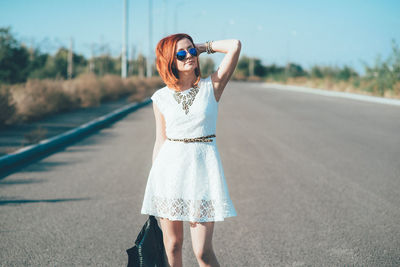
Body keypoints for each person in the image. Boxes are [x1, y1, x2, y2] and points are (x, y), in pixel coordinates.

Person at [141, 33, 241, 267]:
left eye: (191, 51)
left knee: (202, 252)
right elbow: (160, 141)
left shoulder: (212, 86)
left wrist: (203, 47)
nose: (189, 56)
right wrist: (155, 184)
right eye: (181, 53)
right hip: (169, 175)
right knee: (172, 246)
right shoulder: (161, 98)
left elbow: (234, 45)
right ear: (169, 60)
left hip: (203, 175)